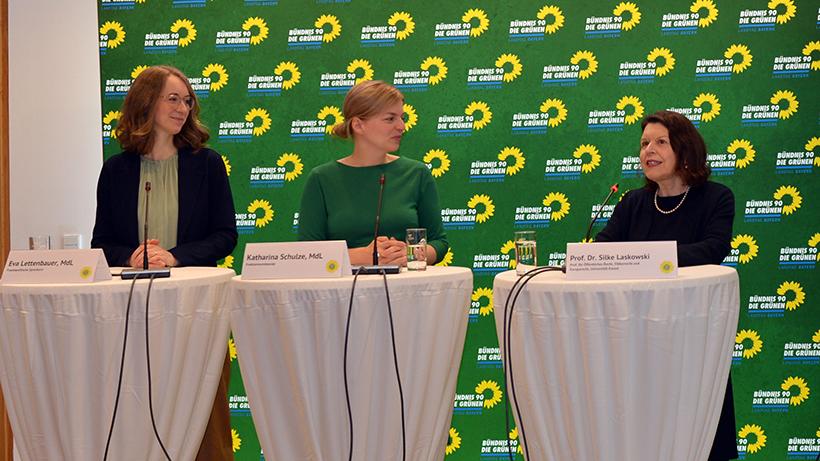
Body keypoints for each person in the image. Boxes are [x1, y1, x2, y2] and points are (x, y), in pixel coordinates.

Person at [91, 65, 236, 461]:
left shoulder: (207, 164)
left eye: (187, 101)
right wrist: (132, 256)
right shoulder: (116, 170)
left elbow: (225, 235)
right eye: (173, 99)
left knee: (206, 420)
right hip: (135, 312)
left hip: (196, 308)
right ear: (146, 102)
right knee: (138, 411)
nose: (182, 108)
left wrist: (174, 256)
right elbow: (102, 244)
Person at [596, 110, 737, 460]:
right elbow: (602, 250)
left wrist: (650, 258)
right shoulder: (633, 202)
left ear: (685, 150)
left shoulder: (716, 198)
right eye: (644, 143)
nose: (649, 150)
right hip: (634, 340)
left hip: (691, 337)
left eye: (660, 142)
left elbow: (713, 249)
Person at [298, 80, 448, 266]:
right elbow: (307, 253)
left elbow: (439, 242)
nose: (401, 126)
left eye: (401, 117)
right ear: (358, 125)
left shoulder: (417, 173)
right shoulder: (321, 178)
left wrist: (412, 254)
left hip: (404, 282)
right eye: (390, 119)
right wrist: (361, 256)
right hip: (345, 285)